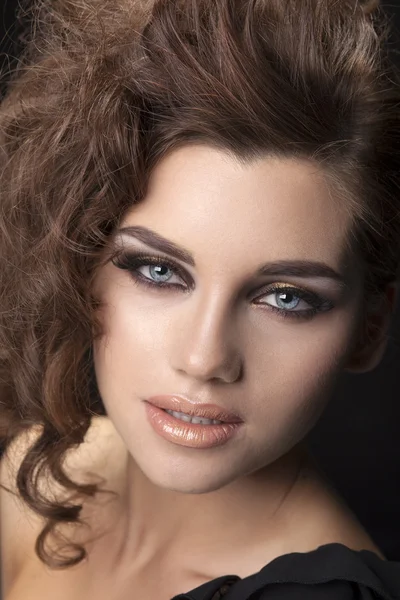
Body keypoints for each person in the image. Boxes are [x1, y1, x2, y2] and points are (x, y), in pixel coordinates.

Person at [1, 0, 400, 598]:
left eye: (286, 298)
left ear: (369, 329)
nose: (205, 358)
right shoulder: (31, 472)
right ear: (81, 263)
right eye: (159, 270)